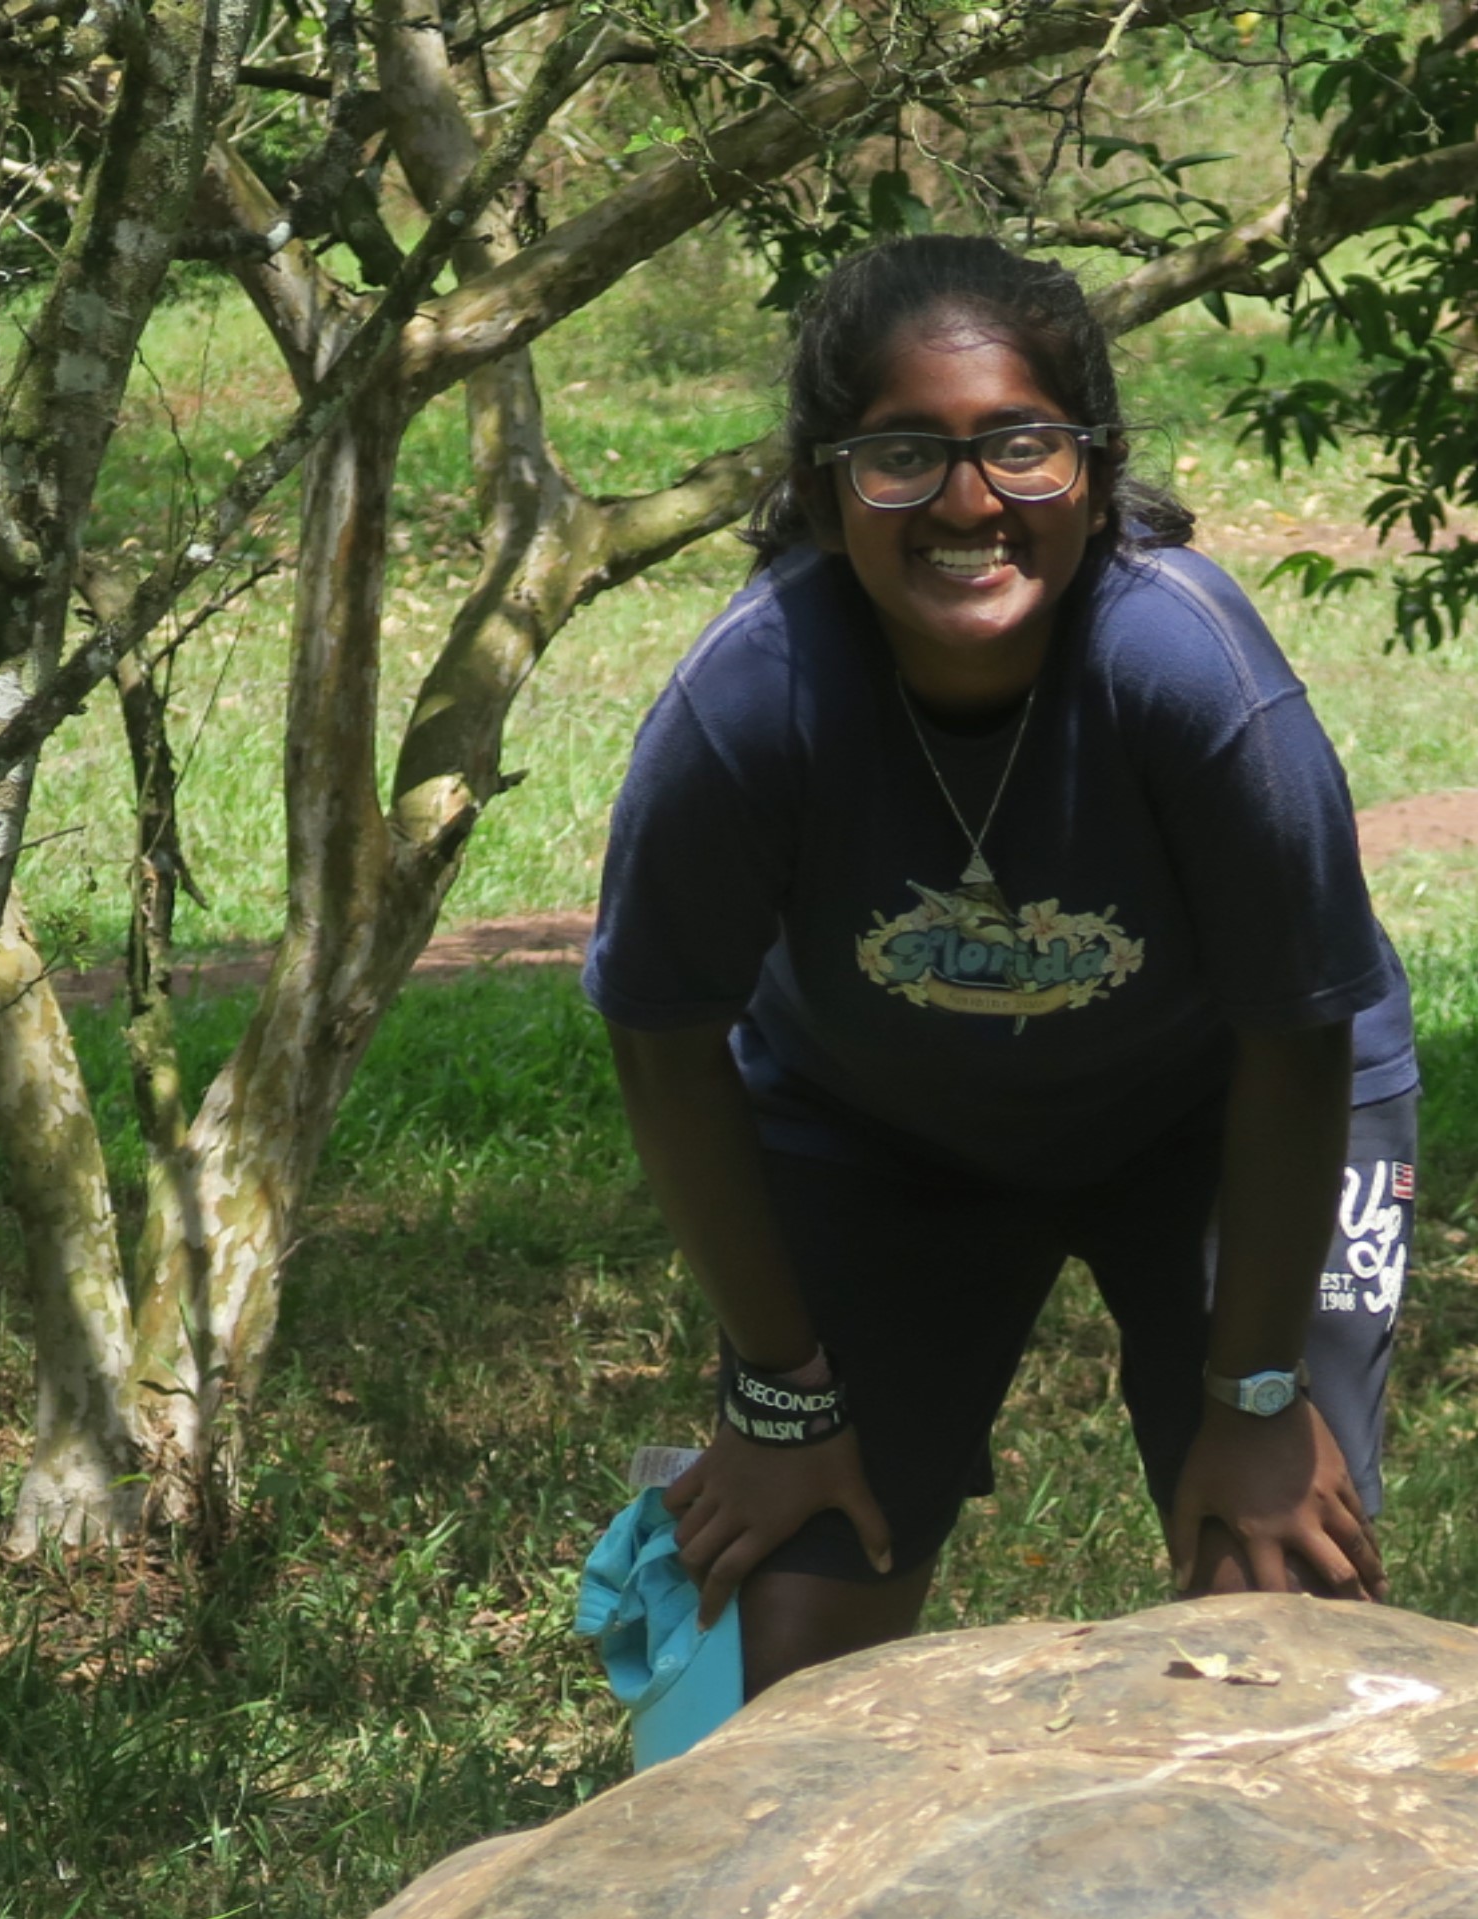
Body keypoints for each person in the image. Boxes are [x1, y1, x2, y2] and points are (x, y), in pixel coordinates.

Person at [581, 233, 1421, 1699]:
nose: (969, 504)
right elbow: (663, 1041)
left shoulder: (1193, 676)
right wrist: (780, 1394)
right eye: (903, 455)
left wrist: (1260, 1397)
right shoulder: (750, 703)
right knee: (775, 1672)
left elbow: (1299, 1040)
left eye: (1021, 449)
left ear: (1093, 471)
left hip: (1222, 1127)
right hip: (880, 1132)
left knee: (1277, 1610)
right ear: (825, 490)